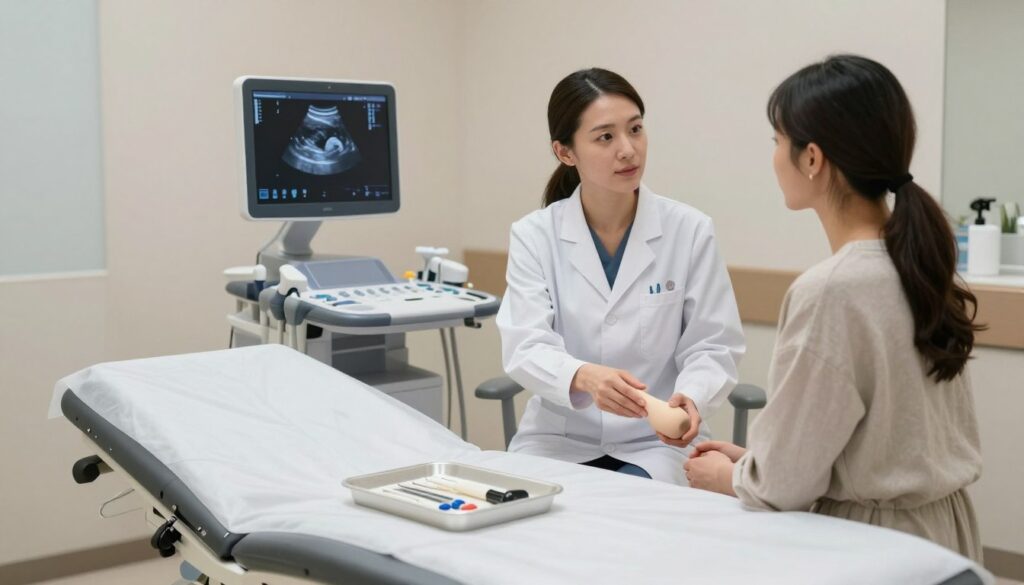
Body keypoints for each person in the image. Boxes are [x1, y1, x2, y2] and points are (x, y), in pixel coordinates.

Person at [685, 55, 983, 561]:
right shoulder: (922, 262)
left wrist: (732, 478)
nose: (775, 156)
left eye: (778, 141)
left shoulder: (832, 291)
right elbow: (880, 440)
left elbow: (783, 485)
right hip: (944, 536)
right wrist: (754, 463)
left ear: (812, 159)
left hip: (874, 549)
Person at [496, 68, 745, 484]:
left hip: (655, 445)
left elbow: (713, 344)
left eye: (636, 129)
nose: (628, 150)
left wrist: (693, 398)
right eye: (605, 137)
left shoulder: (689, 229)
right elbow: (525, 344)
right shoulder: (534, 235)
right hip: (557, 442)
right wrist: (582, 376)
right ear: (565, 152)